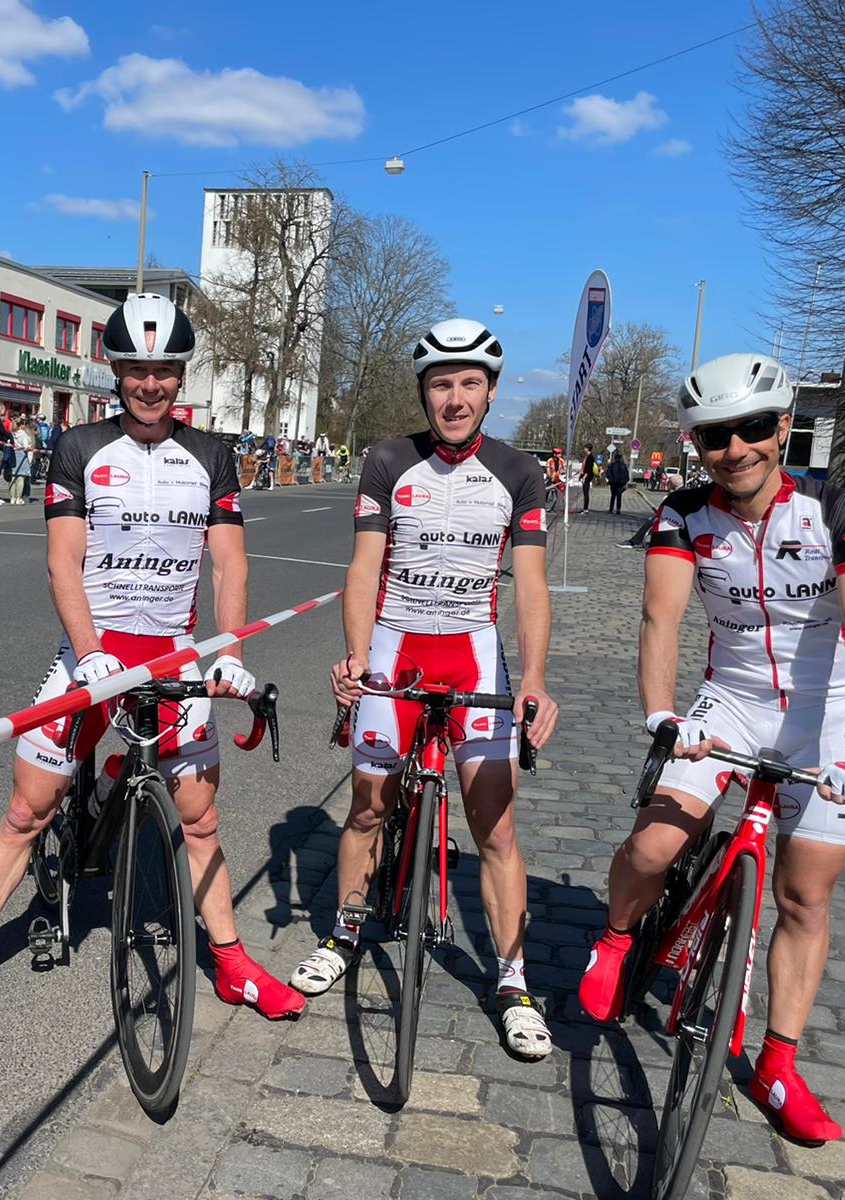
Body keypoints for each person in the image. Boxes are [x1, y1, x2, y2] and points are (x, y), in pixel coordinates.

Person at [0, 293, 306, 1033]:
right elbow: (64, 560)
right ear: (115, 371)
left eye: (164, 371)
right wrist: (89, 654)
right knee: (27, 812)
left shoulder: (212, 455)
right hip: (94, 653)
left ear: (180, 375)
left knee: (200, 821)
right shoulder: (79, 447)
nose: (150, 384)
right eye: (135, 370)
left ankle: (231, 964)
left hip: (175, 656)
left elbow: (229, 564)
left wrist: (230, 655)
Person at [577, 352, 845, 1144]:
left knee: (804, 896)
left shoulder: (839, 512)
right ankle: (616, 937)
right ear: (697, 445)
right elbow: (661, 618)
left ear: (783, 427)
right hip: (733, 704)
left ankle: (778, 1065)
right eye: (715, 436)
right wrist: (663, 714)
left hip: (826, 714)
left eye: (753, 428)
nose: (736, 449)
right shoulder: (684, 514)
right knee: (652, 846)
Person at [289, 317, 561, 1060]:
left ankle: (513, 983)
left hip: (473, 656)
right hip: (397, 652)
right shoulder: (387, 461)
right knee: (367, 809)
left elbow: (531, 588)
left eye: (470, 383)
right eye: (442, 384)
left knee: (496, 831)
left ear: (491, 392)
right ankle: (344, 931)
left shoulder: (518, 472)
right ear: (424, 392)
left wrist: (535, 681)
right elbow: (362, 568)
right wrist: (355, 659)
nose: (455, 398)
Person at [10, 416, 37, 504]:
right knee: (21, 478)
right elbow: (25, 446)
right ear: (21, 425)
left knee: (13, 477)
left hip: (13, 455)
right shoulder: (23, 434)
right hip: (22, 455)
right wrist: (29, 447)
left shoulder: (12, 433)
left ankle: (12, 498)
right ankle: (18, 498)